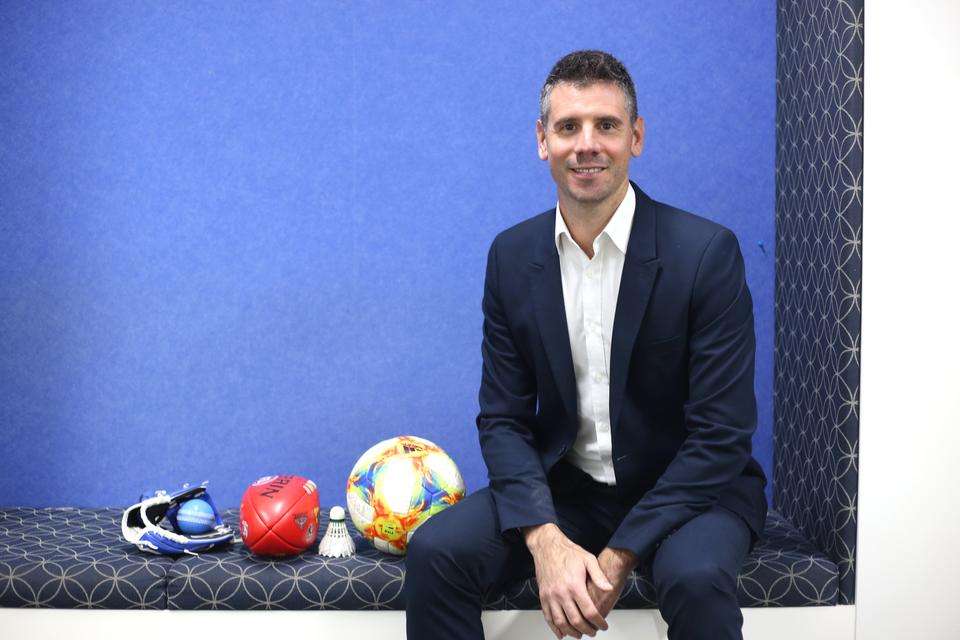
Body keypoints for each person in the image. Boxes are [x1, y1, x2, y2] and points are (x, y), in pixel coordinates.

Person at [405, 50, 767, 640]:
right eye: (568, 127)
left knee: (697, 578)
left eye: (607, 125)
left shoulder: (704, 254)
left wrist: (620, 554)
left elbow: (721, 436)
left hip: (692, 494)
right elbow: (503, 419)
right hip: (568, 489)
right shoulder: (511, 256)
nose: (587, 144)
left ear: (637, 137)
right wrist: (545, 539)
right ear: (542, 141)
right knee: (435, 553)